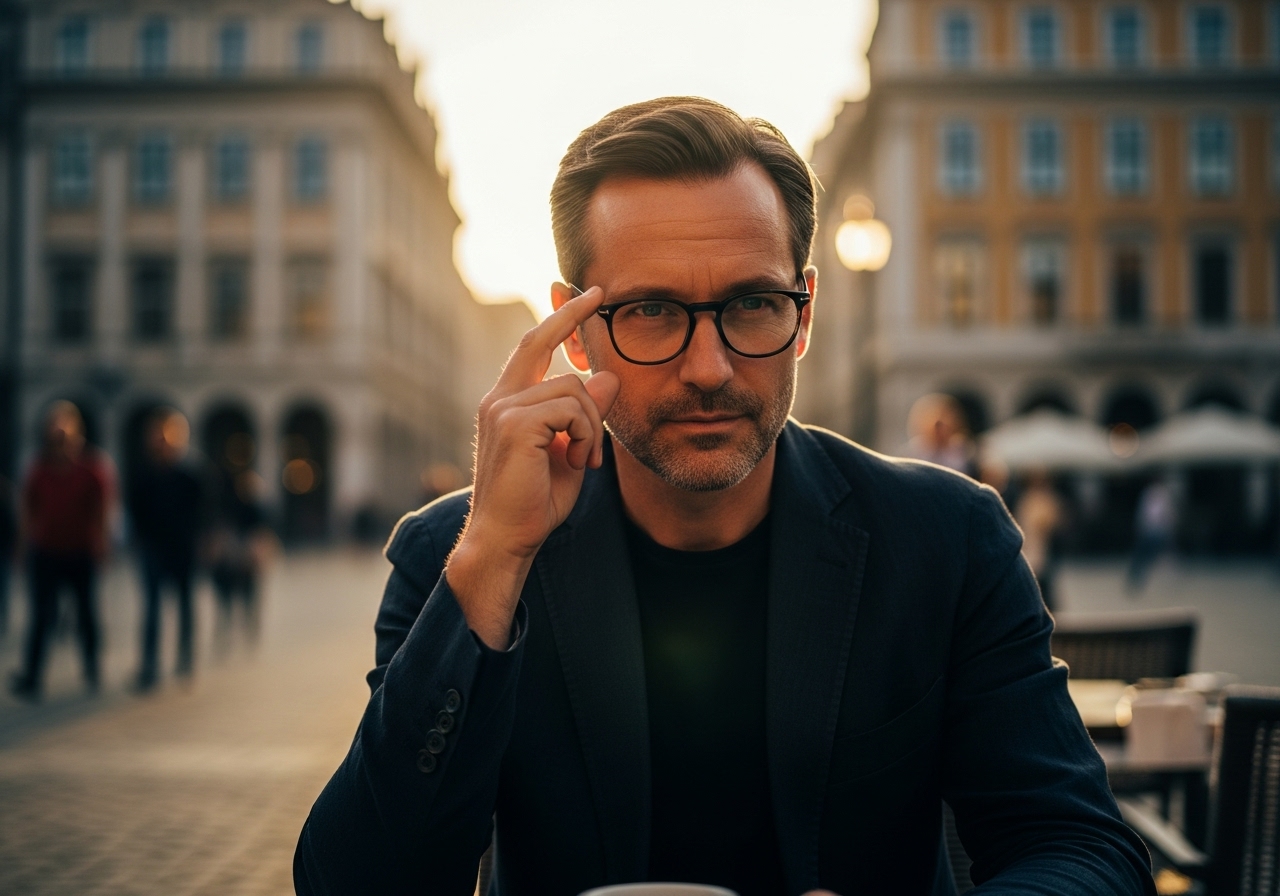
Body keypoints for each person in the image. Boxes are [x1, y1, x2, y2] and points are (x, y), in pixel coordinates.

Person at [295, 98, 1152, 896]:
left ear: (804, 312)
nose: (708, 370)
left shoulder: (945, 539)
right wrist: (490, 560)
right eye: (653, 312)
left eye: (751, 304)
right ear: (575, 330)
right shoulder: (459, 554)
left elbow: (1084, 850)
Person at [9, 401, 111, 701]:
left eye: (64, 425)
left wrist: (102, 544)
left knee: (86, 613)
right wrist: (22, 547)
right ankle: (32, 675)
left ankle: (92, 666)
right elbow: (29, 511)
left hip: (81, 550)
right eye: (54, 425)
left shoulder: (92, 467)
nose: (59, 431)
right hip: (47, 551)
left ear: (76, 429)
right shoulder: (39, 468)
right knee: (41, 616)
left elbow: (103, 509)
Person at [127, 408, 205, 690]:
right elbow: (135, 510)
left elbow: (203, 511)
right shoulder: (143, 475)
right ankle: (150, 664)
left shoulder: (190, 475)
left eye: (165, 436)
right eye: (156, 436)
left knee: (185, 606)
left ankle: (185, 659)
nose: (160, 442)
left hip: (183, 549)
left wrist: (204, 539)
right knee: (151, 608)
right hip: (153, 548)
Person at [1014, 469, 1064, 612]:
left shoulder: (1044, 498)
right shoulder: (1027, 499)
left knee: (1044, 578)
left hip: (1044, 545)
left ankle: (1046, 607)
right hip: (1032, 544)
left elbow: (1053, 521)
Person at [1127, 478, 1176, 592]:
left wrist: (1168, 527)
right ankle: (1136, 578)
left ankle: (1139, 578)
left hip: (1156, 530)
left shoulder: (1163, 494)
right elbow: (1144, 512)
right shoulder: (1149, 493)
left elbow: (1167, 513)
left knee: (1148, 557)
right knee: (1141, 556)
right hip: (1149, 530)